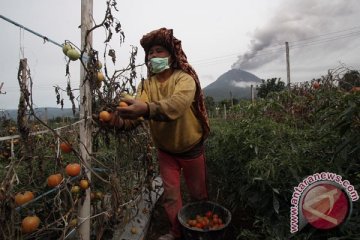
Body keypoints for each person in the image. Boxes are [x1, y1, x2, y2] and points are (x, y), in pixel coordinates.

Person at [112, 27, 210, 240]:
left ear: (172, 56)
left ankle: (202, 229)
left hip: (191, 147)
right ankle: (177, 232)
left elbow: (176, 105)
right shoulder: (147, 84)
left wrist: (145, 109)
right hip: (165, 151)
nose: (153, 56)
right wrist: (119, 121)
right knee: (171, 196)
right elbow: (138, 112)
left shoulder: (184, 79)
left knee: (198, 194)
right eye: (150, 53)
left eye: (159, 51)